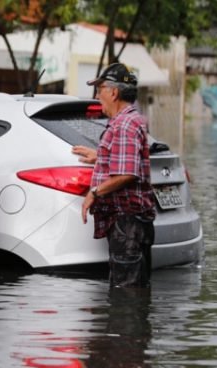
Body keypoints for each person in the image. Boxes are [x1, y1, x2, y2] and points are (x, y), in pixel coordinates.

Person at [71, 63, 156, 289]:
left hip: (126, 223)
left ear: (114, 92)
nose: (98, 96)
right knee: (133, 290)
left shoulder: (125, 124)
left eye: (100, 90)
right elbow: (127, 160)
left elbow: (128, 173)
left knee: (127, 294)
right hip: (131, 223)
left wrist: (94, 192)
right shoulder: (128, 122)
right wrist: (101, 156)